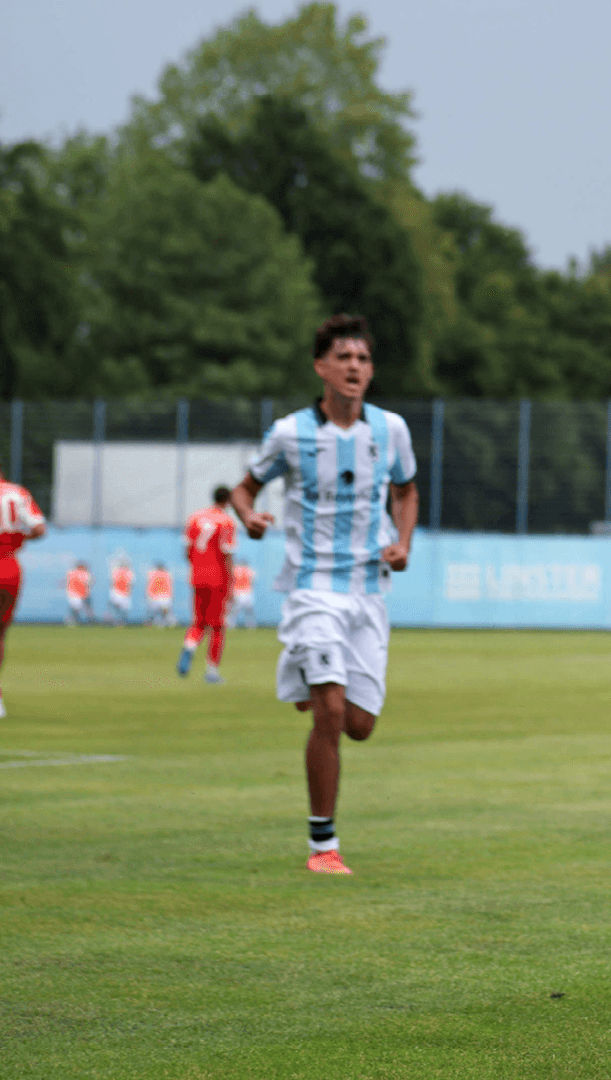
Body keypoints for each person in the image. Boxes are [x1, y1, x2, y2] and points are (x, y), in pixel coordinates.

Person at [230, 314, 417, 877]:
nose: (355, 367)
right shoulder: (290, 432)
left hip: (367, 592)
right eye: (344, 358)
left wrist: (403, 542)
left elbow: (406, 491)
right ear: (321, 367)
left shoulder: (391, 430)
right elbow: (245, 488)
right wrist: (249, 517)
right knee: (331, 712)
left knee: (359, 724)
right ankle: (323, 847)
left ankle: (309, 676)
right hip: (312, 589)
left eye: (362, 359)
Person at [177, 486, 238, 683]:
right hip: (218, 579)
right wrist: (231, 583)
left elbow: (187, 550)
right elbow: (227, 554)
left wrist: (198, 567)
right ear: (228, 501)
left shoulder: (194, 518)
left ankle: (189, 647)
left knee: (199, 622)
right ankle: (212, 671)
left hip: (197, 577)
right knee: (218, 626)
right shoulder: (227, 522)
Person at [0, 473, 47, 716]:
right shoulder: (17, 493)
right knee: (1, 633)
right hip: (9, 566)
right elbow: (39, 528)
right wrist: (18, 537)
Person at [145, 562, 175, 627]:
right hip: (165, 598)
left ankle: (153, 622)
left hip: (155, 598)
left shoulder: (152, 574)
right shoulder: (167, 574)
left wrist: (148, 597)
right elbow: (170, 588)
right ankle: (167, 622)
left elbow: (149, 587)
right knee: (165, 613)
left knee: (154, 613)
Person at [230, 560, 257, 629]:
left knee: (236, 610)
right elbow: (253, 580)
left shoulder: (235, 569)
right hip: (245, 592)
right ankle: (250, 625)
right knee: (247, 610)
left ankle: (232, 625)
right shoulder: (249, 570)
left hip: (239, 592)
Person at [65, 561, 93, 626]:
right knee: (77, 607)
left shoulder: (86, 574)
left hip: (84, 595)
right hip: (74, 594)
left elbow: (89, 584)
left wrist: (86, 593)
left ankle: (89, 621)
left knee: (87, 610)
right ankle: (72, 620)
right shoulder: (72, 573)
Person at [109, 558, 135, 626]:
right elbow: (112, 583)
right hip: (118, 592)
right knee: (117, 607)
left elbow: (131, 584)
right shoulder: (116, 571)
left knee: (124, 609)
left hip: (125, 593)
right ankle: (116, 620)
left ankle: (122, 621)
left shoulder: (129, 572)